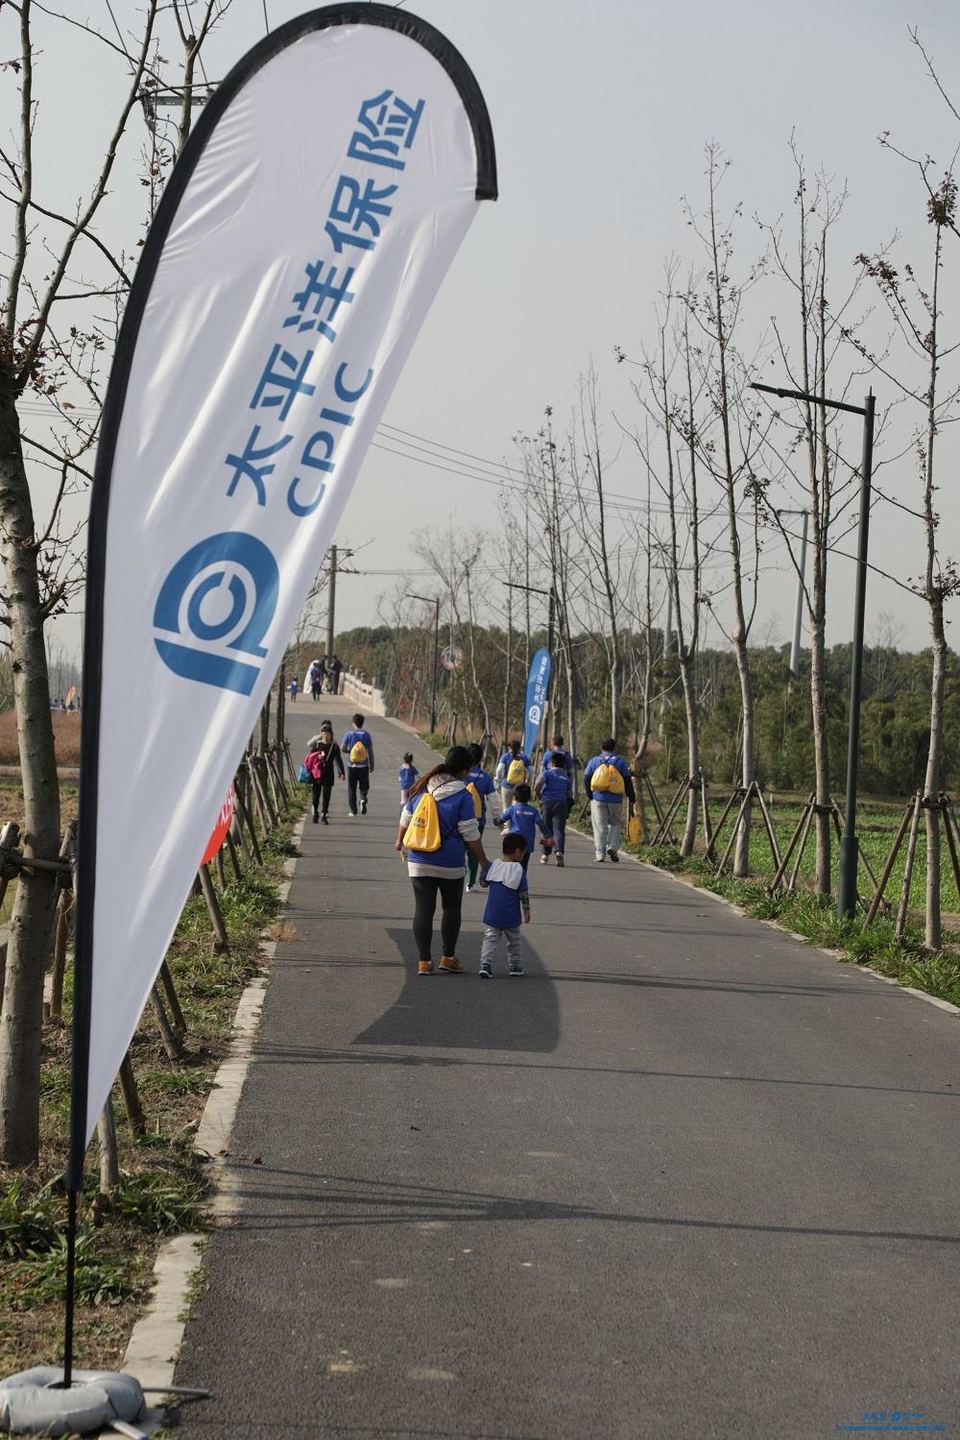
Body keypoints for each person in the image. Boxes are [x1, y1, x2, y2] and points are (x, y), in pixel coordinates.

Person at [395, 745, 489, 976]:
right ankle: (447, 957)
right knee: (451, 907)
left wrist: (399, 841)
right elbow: (470, 833)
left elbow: (406, 817)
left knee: (423, 910)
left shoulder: (423, 785)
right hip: (450, 862)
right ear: (465, 770)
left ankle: (424, 962)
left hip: (418, 858)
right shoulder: (463, 795)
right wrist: (484, 861)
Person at [477, 832, 530, 978]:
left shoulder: (494, 866)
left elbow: (482, 883)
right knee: (514, 942)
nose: (524, 856)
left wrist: (483, 870)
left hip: (492, 913)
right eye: (524, 852)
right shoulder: (519, 870)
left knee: (490, 939)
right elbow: (523, 893)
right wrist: (526, 911)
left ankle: (485, 965)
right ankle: (515, 966)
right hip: (510, 915)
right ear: (518, 852)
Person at [583, 738, 635, 863]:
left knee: (600, 826)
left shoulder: (595, 760)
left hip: (598, 798)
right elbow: (627, 781)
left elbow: (586, 778)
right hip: (615, 799)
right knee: (615, 823)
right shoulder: (620, 761)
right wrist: (632, 798)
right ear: (614, 748)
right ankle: (612, 847)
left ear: (602, 747)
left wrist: (590, 795)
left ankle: (600, 854)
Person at [465, 742, 498, 894]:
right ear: (481, 758)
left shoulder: (460, 774)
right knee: (474, 851)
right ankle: (470, 883)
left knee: (459, 848)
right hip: (478, 820)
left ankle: (455, 878)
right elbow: (493, 799)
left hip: (460, 818)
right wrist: (497, 817)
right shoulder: (485, 777)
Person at [497, 782, 549, 872]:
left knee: (511, 864)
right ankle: (522, 882)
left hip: (513, 841)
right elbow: (541, 824)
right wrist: (548, 835)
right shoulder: (533, 811)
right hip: (527, 843)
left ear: (515, 797)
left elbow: (501, 819)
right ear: (529, 797)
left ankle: (510, 882)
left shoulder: (512, 809)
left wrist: (500, 825)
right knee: (523, 865)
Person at [535, 752, 572, 867]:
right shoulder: (566, 777)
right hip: (561, 803)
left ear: (552, 763)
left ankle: (545, 855)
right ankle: (559, 852)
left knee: (546, 829)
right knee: (559, 830)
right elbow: (569, 793)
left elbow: (538, 784)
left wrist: (538, 795)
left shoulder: (547, 773)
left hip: (547, 802)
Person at [306, 721, 344, 823]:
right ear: (321, 734)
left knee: (326, 795)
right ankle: (316, 813)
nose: (326, 735)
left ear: (331, 735)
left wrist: (342, 772)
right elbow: (310, 759)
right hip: (317, 774)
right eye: (324, 733)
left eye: (328, 733)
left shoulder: (335, 746)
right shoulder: (317, 745)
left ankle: (324, 814)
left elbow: (338, 759)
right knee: (315, 795)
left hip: (328, 774)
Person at [341, 712, 375, 816]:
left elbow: (342, 748)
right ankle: (363, 798)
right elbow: (370, 751)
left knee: (352, 788)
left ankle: (353, 810)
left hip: (352, 765)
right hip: (364, 765)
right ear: (362, 723)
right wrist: (372, 764)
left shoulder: (349, 734)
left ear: (353, 723)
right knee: (364, 786)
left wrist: (350, 751)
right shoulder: (366, 735)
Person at [495, 738, 531, 814]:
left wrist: (498, 779)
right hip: (519, 787)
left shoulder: (505, 756)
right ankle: (517, 824)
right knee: (518, 809)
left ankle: (507, 825)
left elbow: (499, 769)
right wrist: (528, 780)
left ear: (509, 747)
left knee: (506, 808)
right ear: (519, 748)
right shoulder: (523, 757)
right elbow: (532, 770)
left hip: (506, 785)